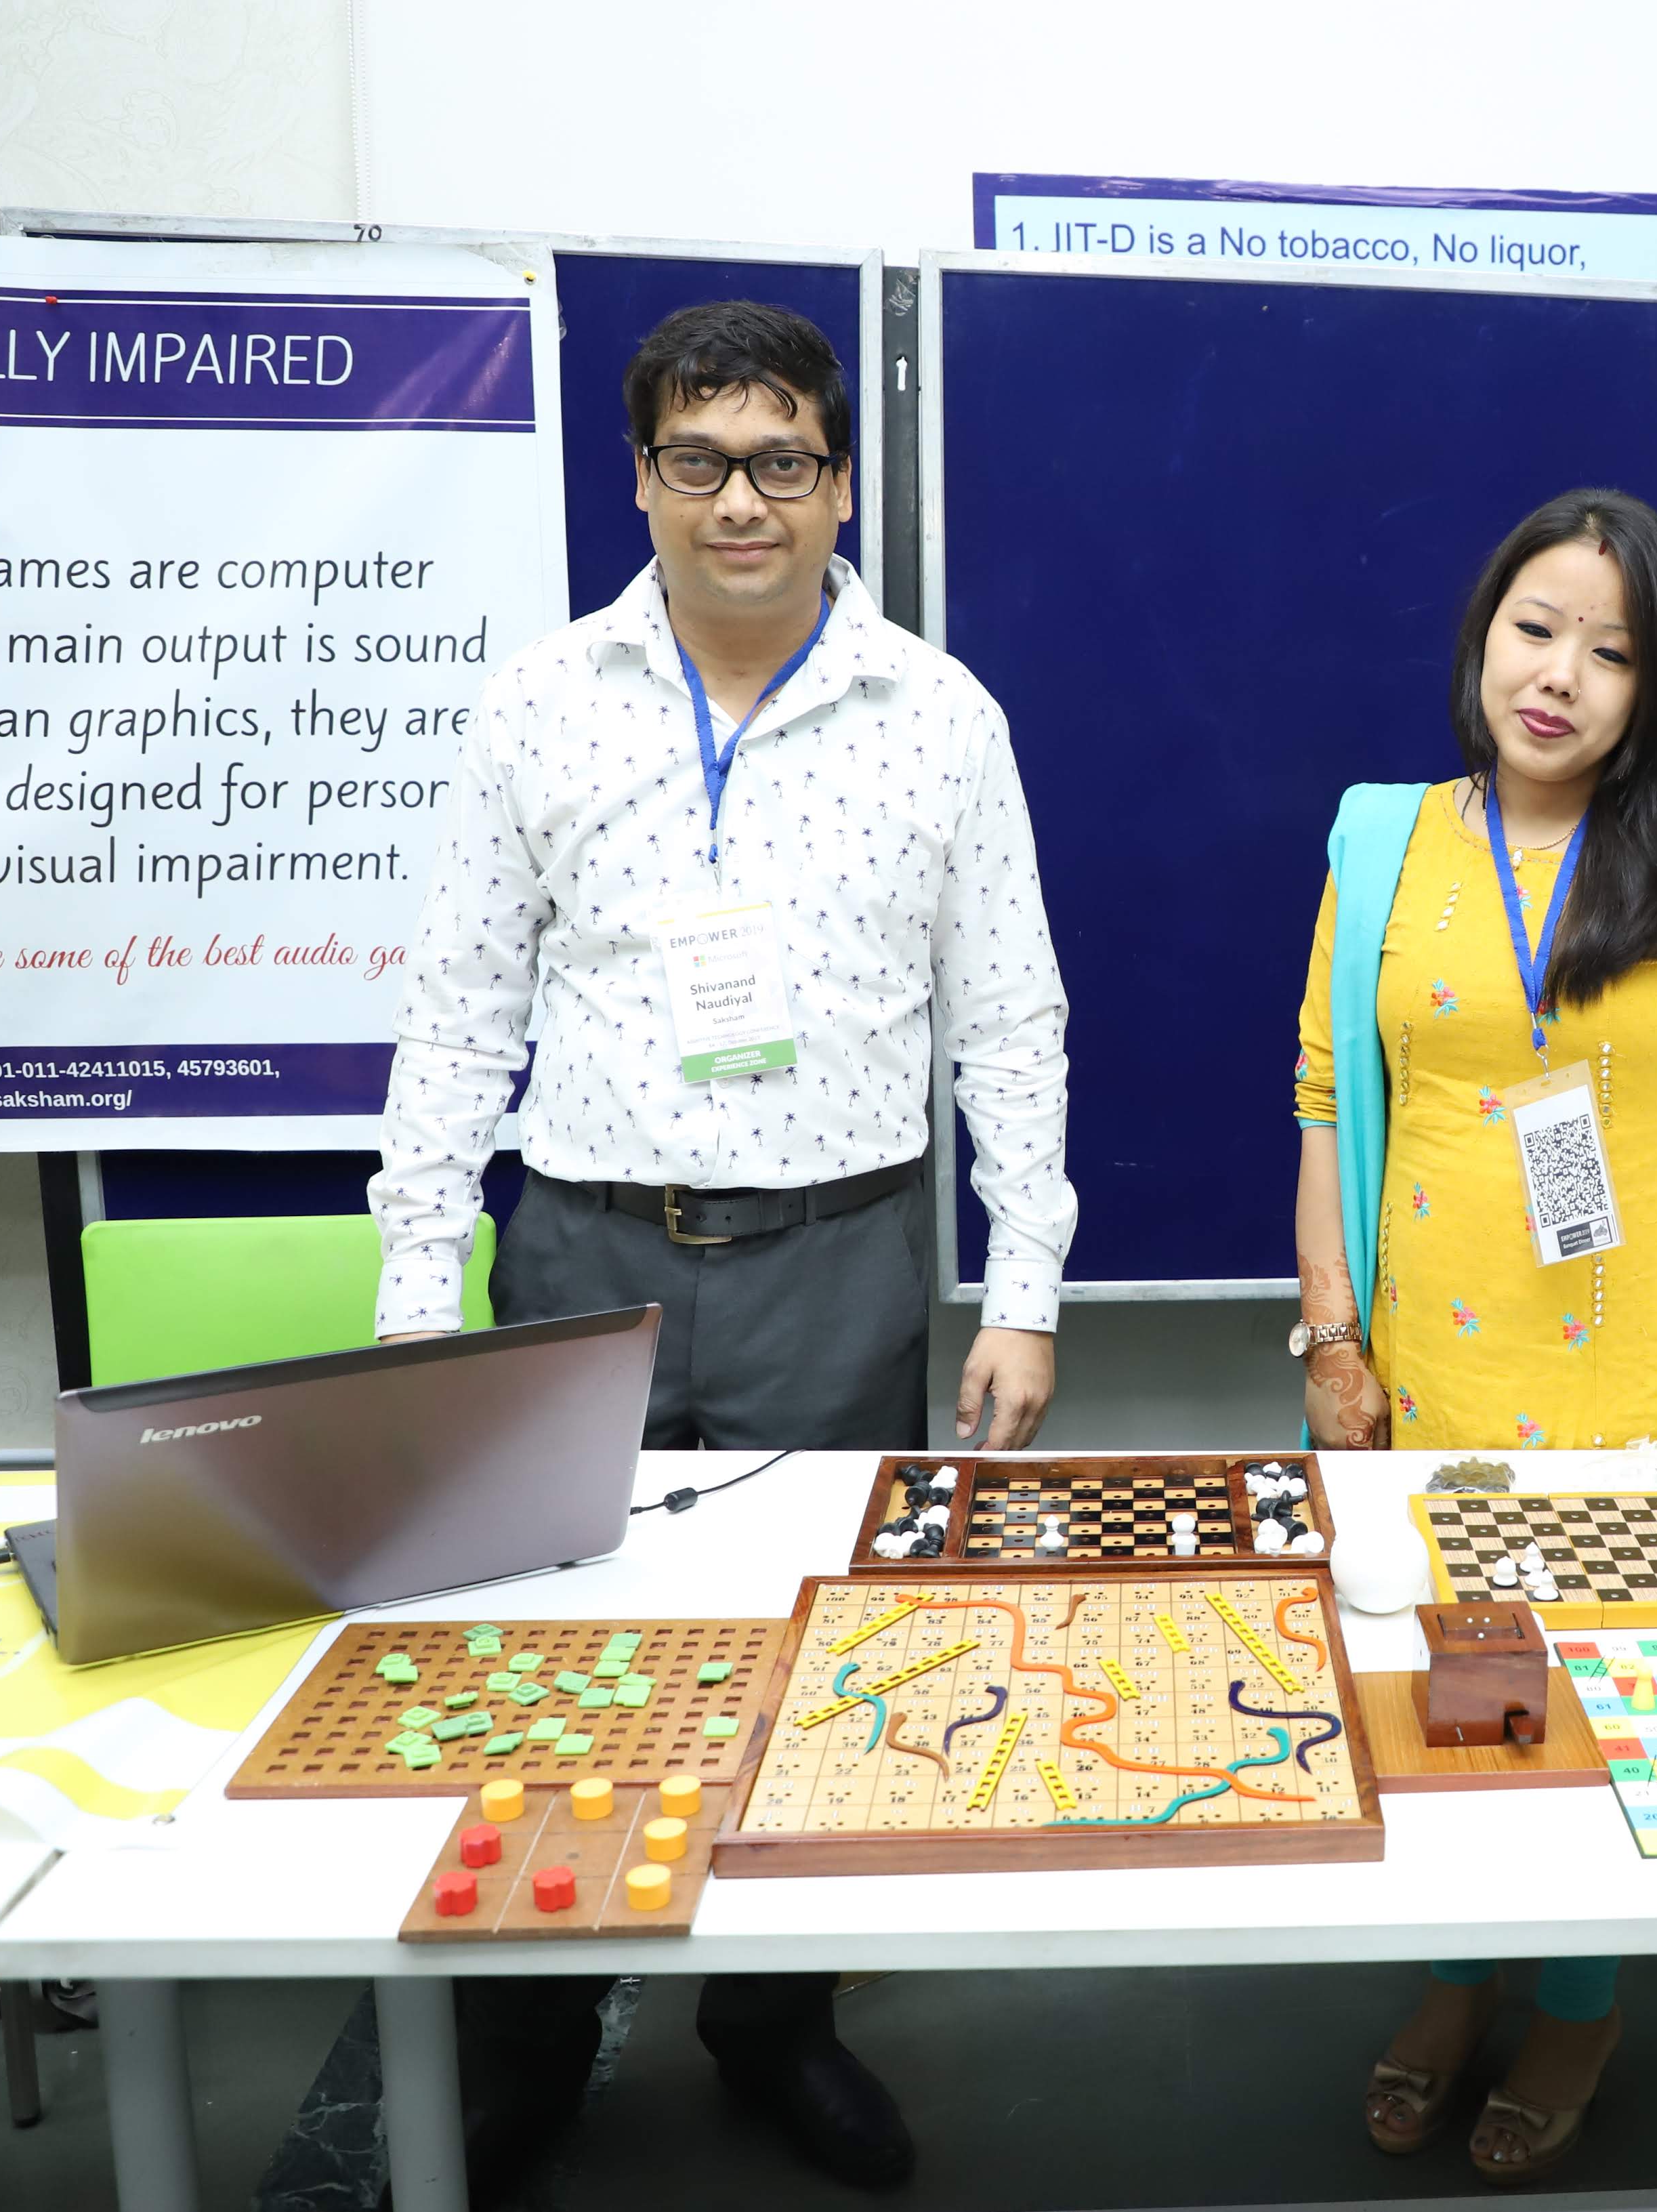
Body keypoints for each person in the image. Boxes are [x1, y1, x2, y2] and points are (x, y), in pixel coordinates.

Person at [366, 300, 1077, 2200]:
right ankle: (531, 2039)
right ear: (641, 478)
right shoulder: (540, 702)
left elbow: (1010, 1023)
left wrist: (1021, 1289)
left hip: (837, 1262)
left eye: (779, 461)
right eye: (699, 459)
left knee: (813, 1659)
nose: (739, 500)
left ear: (839, 485)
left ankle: (774, 2025)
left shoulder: (940, 718)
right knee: (553, 1660)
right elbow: (456, 1011)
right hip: (580, 1256)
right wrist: (419, 1294)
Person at [1288, 488, 1657, 2181]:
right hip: (1429, 1361)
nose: (1560, 676)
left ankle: (1580, 2001)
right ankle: (1456, 1977)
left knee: (1602, 1696)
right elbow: (1323, 1099)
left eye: (1612, 652)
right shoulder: (1382, 842)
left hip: (1623, 1370)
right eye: (1536, 629)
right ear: (1483, 636)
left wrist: (1637, 1222)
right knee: (1450, 1677)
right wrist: (1330, 1336)